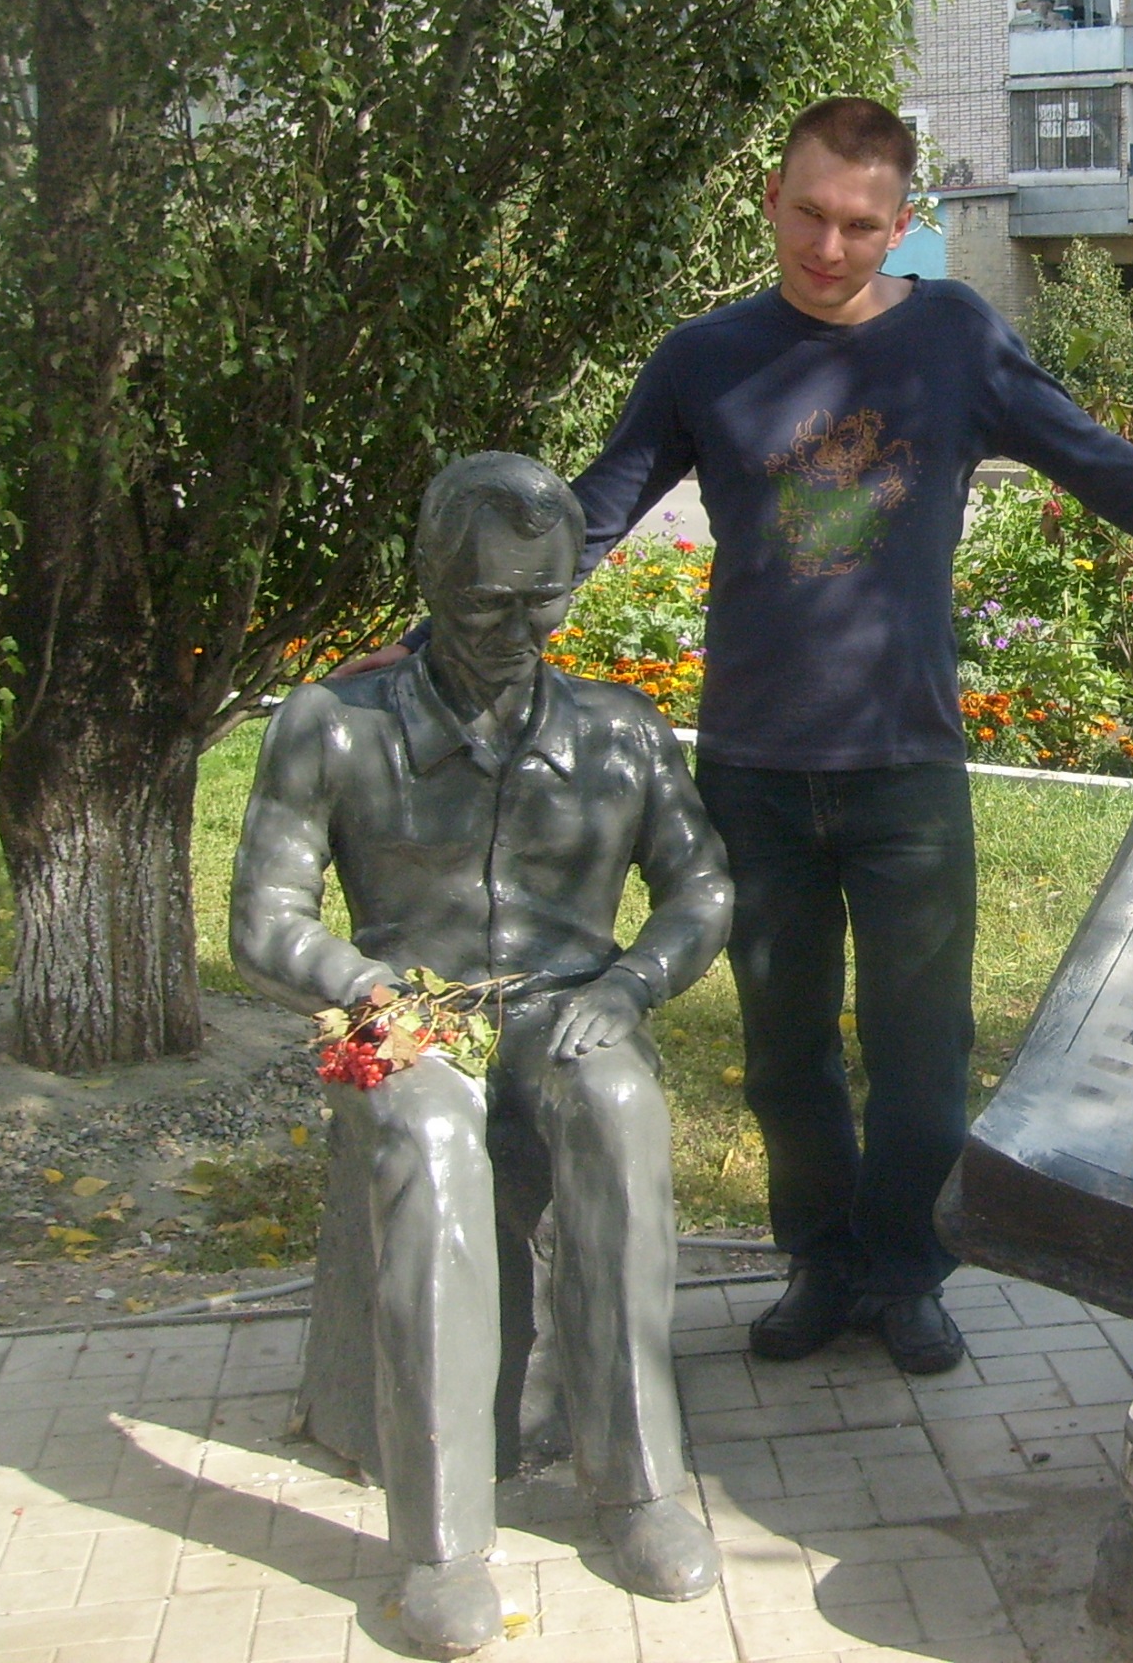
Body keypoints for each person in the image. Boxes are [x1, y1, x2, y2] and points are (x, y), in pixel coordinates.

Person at [346, 96, 1133, 1377]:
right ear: (772, 198)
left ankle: (907, 1273)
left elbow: (1102, 467)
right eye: (809, 214)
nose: (829, 247)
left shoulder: (955, 339)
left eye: (861, 226)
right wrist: (442, 643)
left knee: (922, 1058)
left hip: (906, 770)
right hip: (752, 774)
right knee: (786, 1055)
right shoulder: (704, 358)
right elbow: (591, 517)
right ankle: (820, 1265)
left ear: (902, 223)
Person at [236, 453, 735, 1657]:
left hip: (567, 1008)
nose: (518, 631)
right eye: (486, 603)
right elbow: (264, 922)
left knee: (618, 1107)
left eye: (543, 600)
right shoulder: (333, 725)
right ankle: (442, 1543)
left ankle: (639, 1485)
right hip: (400, 1008)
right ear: (429, 578)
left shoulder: (620, 733)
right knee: (430, 1134)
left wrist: (630, 984)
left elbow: (701, 889)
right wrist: (364, 990)